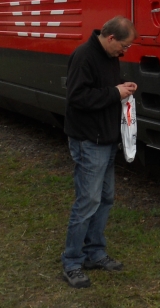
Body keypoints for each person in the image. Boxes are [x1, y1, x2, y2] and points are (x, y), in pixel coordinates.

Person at [60, 16, 138, 289]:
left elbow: (105, 87)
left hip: (105, 139)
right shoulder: (84, 56)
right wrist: (115, 92)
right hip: (88, 141)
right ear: (112, 38)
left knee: (105, 198)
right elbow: (78, 98)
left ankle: (94, 253)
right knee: (87, 201)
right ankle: (72, 262)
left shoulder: (108, 55)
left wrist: (123, 86)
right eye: (124, 46)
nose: (125, 52)